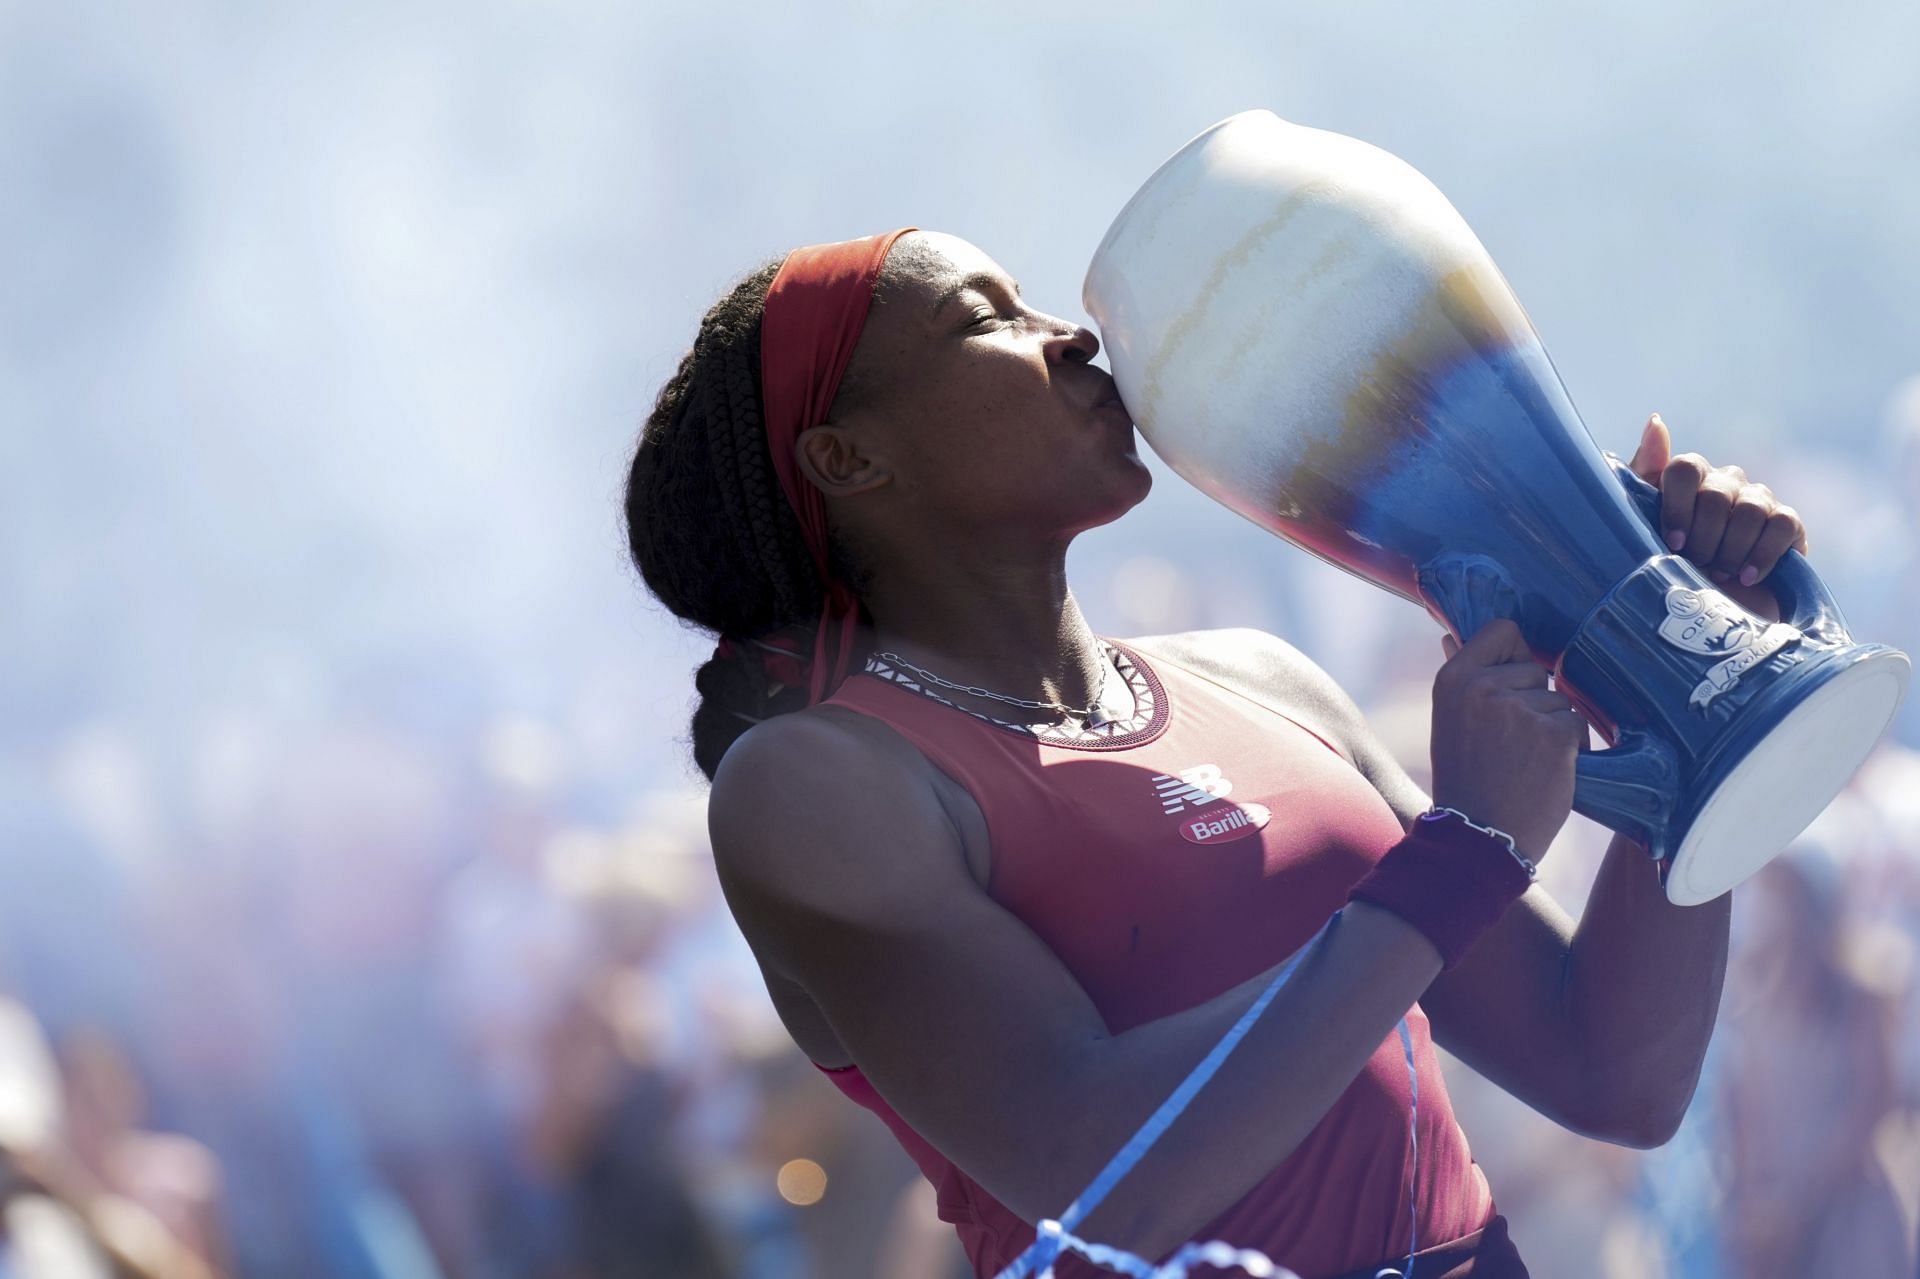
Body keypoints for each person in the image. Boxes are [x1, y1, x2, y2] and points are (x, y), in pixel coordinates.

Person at [622, 228, 1812, 1279]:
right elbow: (1099, 1184)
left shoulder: (1262, 676)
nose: (1074, 336)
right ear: (849, 460)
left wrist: (1686, 694)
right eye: (984, 318)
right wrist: (1466, 849)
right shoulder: (815, 781)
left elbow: (1616, 1071)